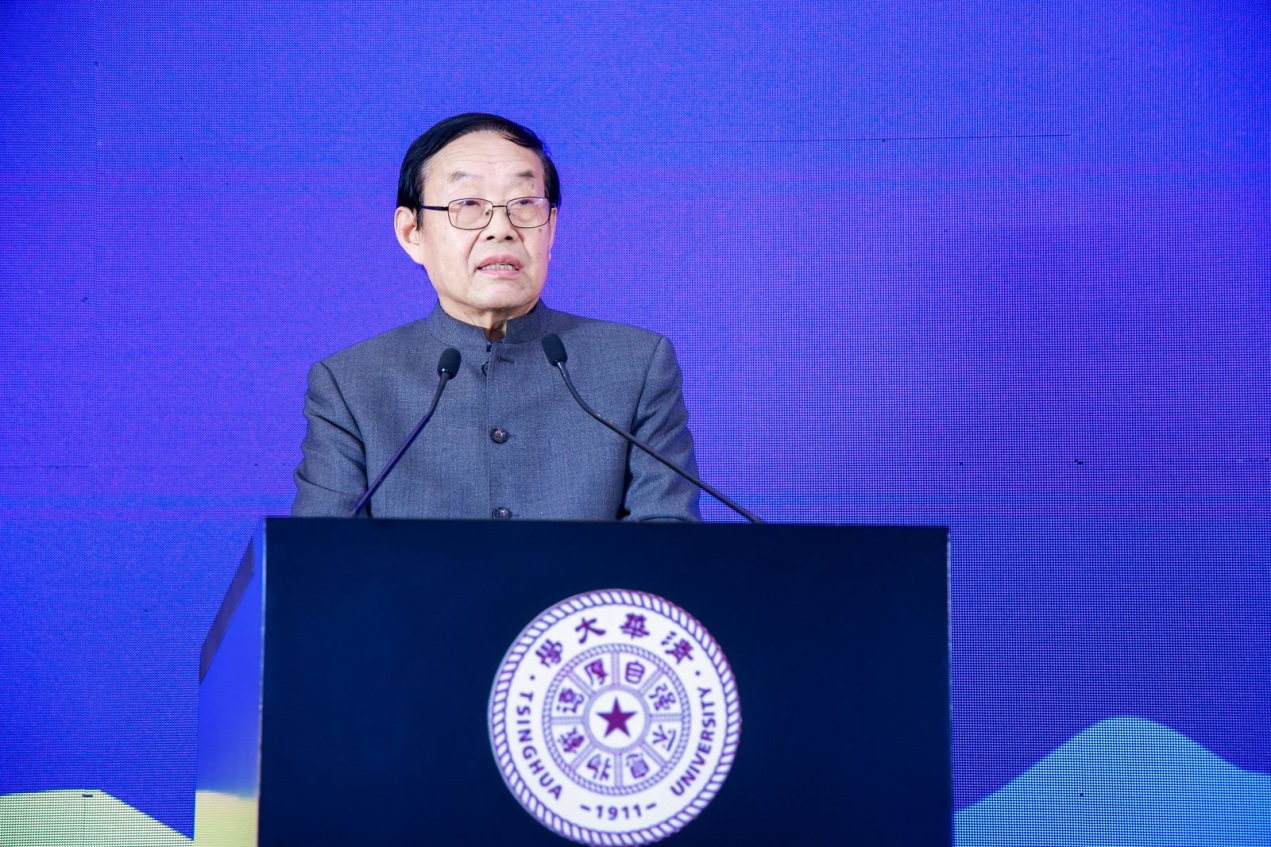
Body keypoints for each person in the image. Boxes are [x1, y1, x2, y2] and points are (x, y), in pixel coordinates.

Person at [292, 113, 701, 521]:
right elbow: (324, 554)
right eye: (468, 204)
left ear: (551, 227)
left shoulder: (636, 366)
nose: (501, 229)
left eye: (524, 204)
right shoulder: (352, 384)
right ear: (411, 232)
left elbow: (666, 543)